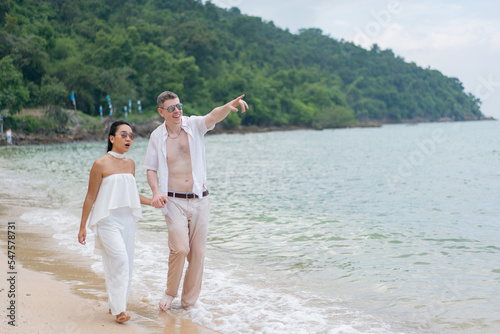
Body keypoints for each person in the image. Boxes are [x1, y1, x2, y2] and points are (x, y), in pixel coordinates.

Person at [144, 91, 248, 311]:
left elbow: (212, 116)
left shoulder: (194, 125)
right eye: (171, 108)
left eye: (179, 106)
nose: (177, 111)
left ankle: (188, 304)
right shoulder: (156, 136)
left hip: (200, 200)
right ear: (161, 112)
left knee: (198, 254)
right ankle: (170, 292)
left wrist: (228, 106)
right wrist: (155, 192)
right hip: (173, 201)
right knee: (180, 249)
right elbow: (151, 169)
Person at [78, 121, 152, 323]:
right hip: (107, 221)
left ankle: (116, 303)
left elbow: (131, 195)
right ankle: (121, 310)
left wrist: (153, 202)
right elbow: (91, 197)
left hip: (127, 220)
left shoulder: (130, 164)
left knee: (125, 264)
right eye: (123, 135)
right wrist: (83, 226)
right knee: (119, 261)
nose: (128, 138)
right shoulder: (100, 164)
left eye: (131, 135)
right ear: (112, 138)